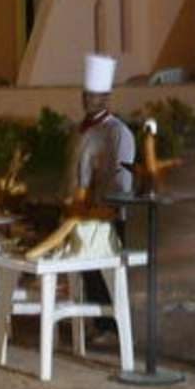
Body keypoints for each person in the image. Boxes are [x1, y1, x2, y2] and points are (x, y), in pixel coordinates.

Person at [66, 53, 136, 340]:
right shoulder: (81, 129)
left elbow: (122, 178)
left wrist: (102, 205)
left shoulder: (118, 132)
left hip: (107, 213)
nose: (87, 100)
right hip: (82, 212)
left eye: (93, 95)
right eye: (85, 95)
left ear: (106, 98)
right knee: (88, 272)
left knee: (106, 272)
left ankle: (113, 326)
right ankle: (98, 322)